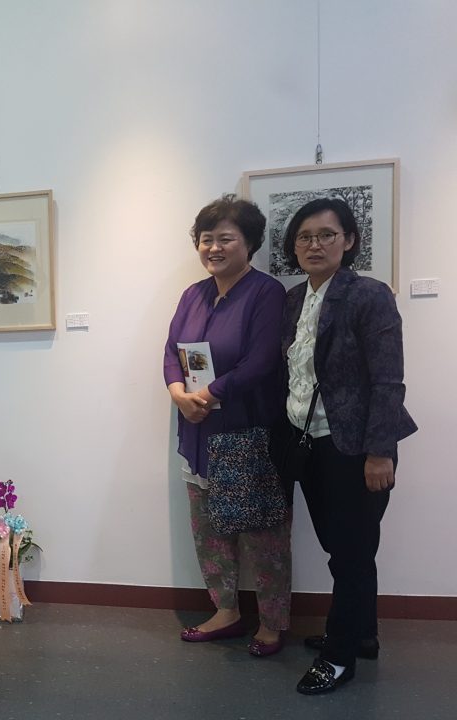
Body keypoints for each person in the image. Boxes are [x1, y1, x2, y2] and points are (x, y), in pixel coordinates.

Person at [280, 197, 417, 694]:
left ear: (349, 240)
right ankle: (361, 634)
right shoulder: (294, 298)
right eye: (304, 236)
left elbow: (388, 380)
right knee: (345, 550)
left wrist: (380, 451)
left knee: (353, 553)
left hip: (357, 447)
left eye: (326, 235)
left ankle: (339, 658)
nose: (314, 244)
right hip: (309, 441)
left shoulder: (369, 295)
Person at [163, 196, 291, 656]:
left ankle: (272, 622)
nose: (213, 247)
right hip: (197, 432)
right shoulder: (192, 295)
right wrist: (178, 394)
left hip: (247, 434)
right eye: (206, 239)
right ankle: (226, 611)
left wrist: (208, 395)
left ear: (249, 243)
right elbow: (171, 352)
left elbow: (261, 361)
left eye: (225, 238)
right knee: (209, 531)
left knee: (264, 535)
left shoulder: (266, 292)